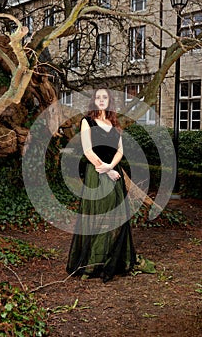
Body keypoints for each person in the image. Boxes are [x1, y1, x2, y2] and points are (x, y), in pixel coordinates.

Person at [66, 88, 136, 283]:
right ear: (94, 101)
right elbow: (87, 151)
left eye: (105, 97)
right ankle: (90, 264)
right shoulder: (86, 122)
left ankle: (110, 261)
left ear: (110, 101)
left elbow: (120, 150)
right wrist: (106, 170)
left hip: (114, 174)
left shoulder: (114, 123)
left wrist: (112, 167)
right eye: (98, 97)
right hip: (96, 174)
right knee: (97, 217)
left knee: (116, 218)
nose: (102, 100)